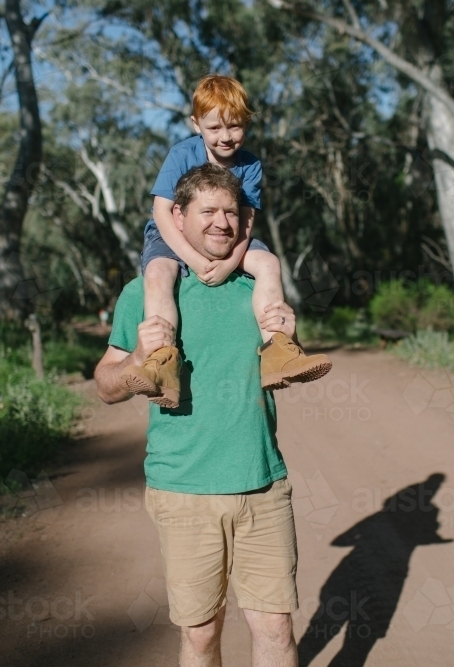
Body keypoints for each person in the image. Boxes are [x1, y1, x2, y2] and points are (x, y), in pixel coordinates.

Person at [95, 164, 300, 667]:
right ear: (178, 218)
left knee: (275, 626)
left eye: (231, 212)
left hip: (262, 485)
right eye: (208, 211)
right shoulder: (144, 293)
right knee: (203, 633)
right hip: (184, 490)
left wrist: (288, 335)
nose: (221, 222)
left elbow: (283, 367)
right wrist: (136, 361)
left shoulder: (257, 285)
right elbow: (105, 385)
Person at [119, 73, 331, 409]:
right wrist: (194, 259)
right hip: (170, 235)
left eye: (235, 127)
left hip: (232, 238)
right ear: (195, 124)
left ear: (246, 124)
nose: (226, 137)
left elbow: (245, 219)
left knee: (268, 263)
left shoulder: (250, 165)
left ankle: (279, 351)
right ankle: (162, 363)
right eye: (215, 128)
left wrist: (230, 262)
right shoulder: (181, 154)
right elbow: (161, 212)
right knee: (159, 273)